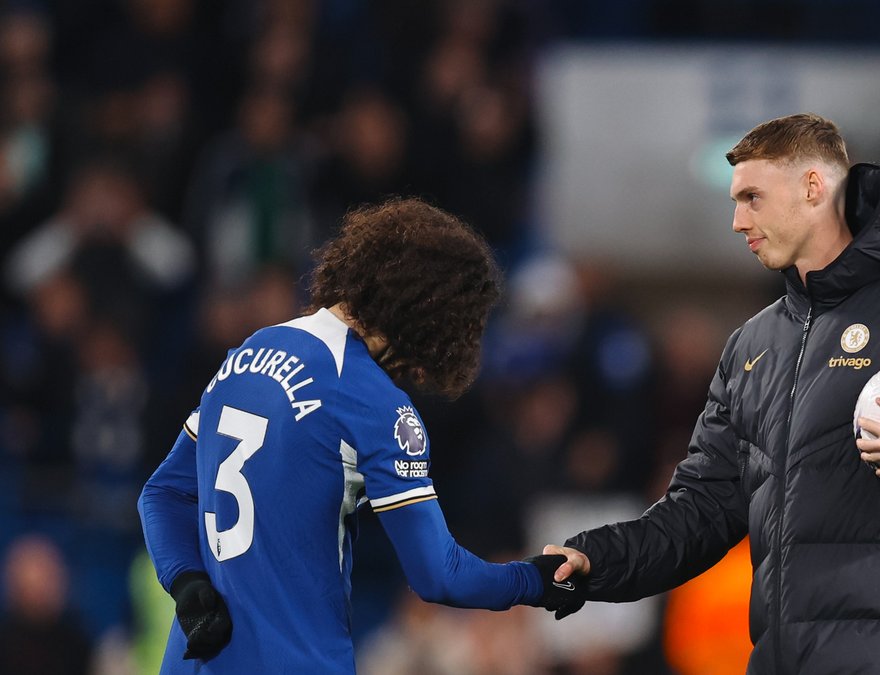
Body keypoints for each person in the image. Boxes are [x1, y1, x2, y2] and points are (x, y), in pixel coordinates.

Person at [542, 114, 880, 674]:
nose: (736, 220)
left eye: (752, 198)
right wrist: (595, 558)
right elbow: (700, 511)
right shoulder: (752, 346)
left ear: (813, 188)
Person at [138, 197, 582, 672]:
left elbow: (162, 492)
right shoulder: (376, 405)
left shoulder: (248, 353)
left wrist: (187, 584)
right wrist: (540, 580)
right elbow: (440, 576)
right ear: (431, 313)